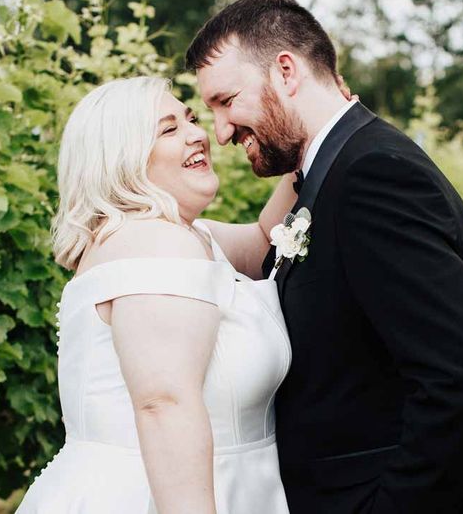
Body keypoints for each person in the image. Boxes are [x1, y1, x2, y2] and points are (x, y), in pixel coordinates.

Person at [187, 0, 463, 513]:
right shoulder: (328, 173)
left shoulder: (373, 177)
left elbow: (458, 384)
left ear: (285, 71)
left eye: (226, 101)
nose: (220, 132)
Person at [17, 76, 299, 513]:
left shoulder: (182, 236)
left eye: (189, 118)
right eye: (169, 129)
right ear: (120, 160)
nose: (198, 134)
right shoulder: (155, 243)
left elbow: (267, 239)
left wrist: (314, 138)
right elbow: (164, 404)